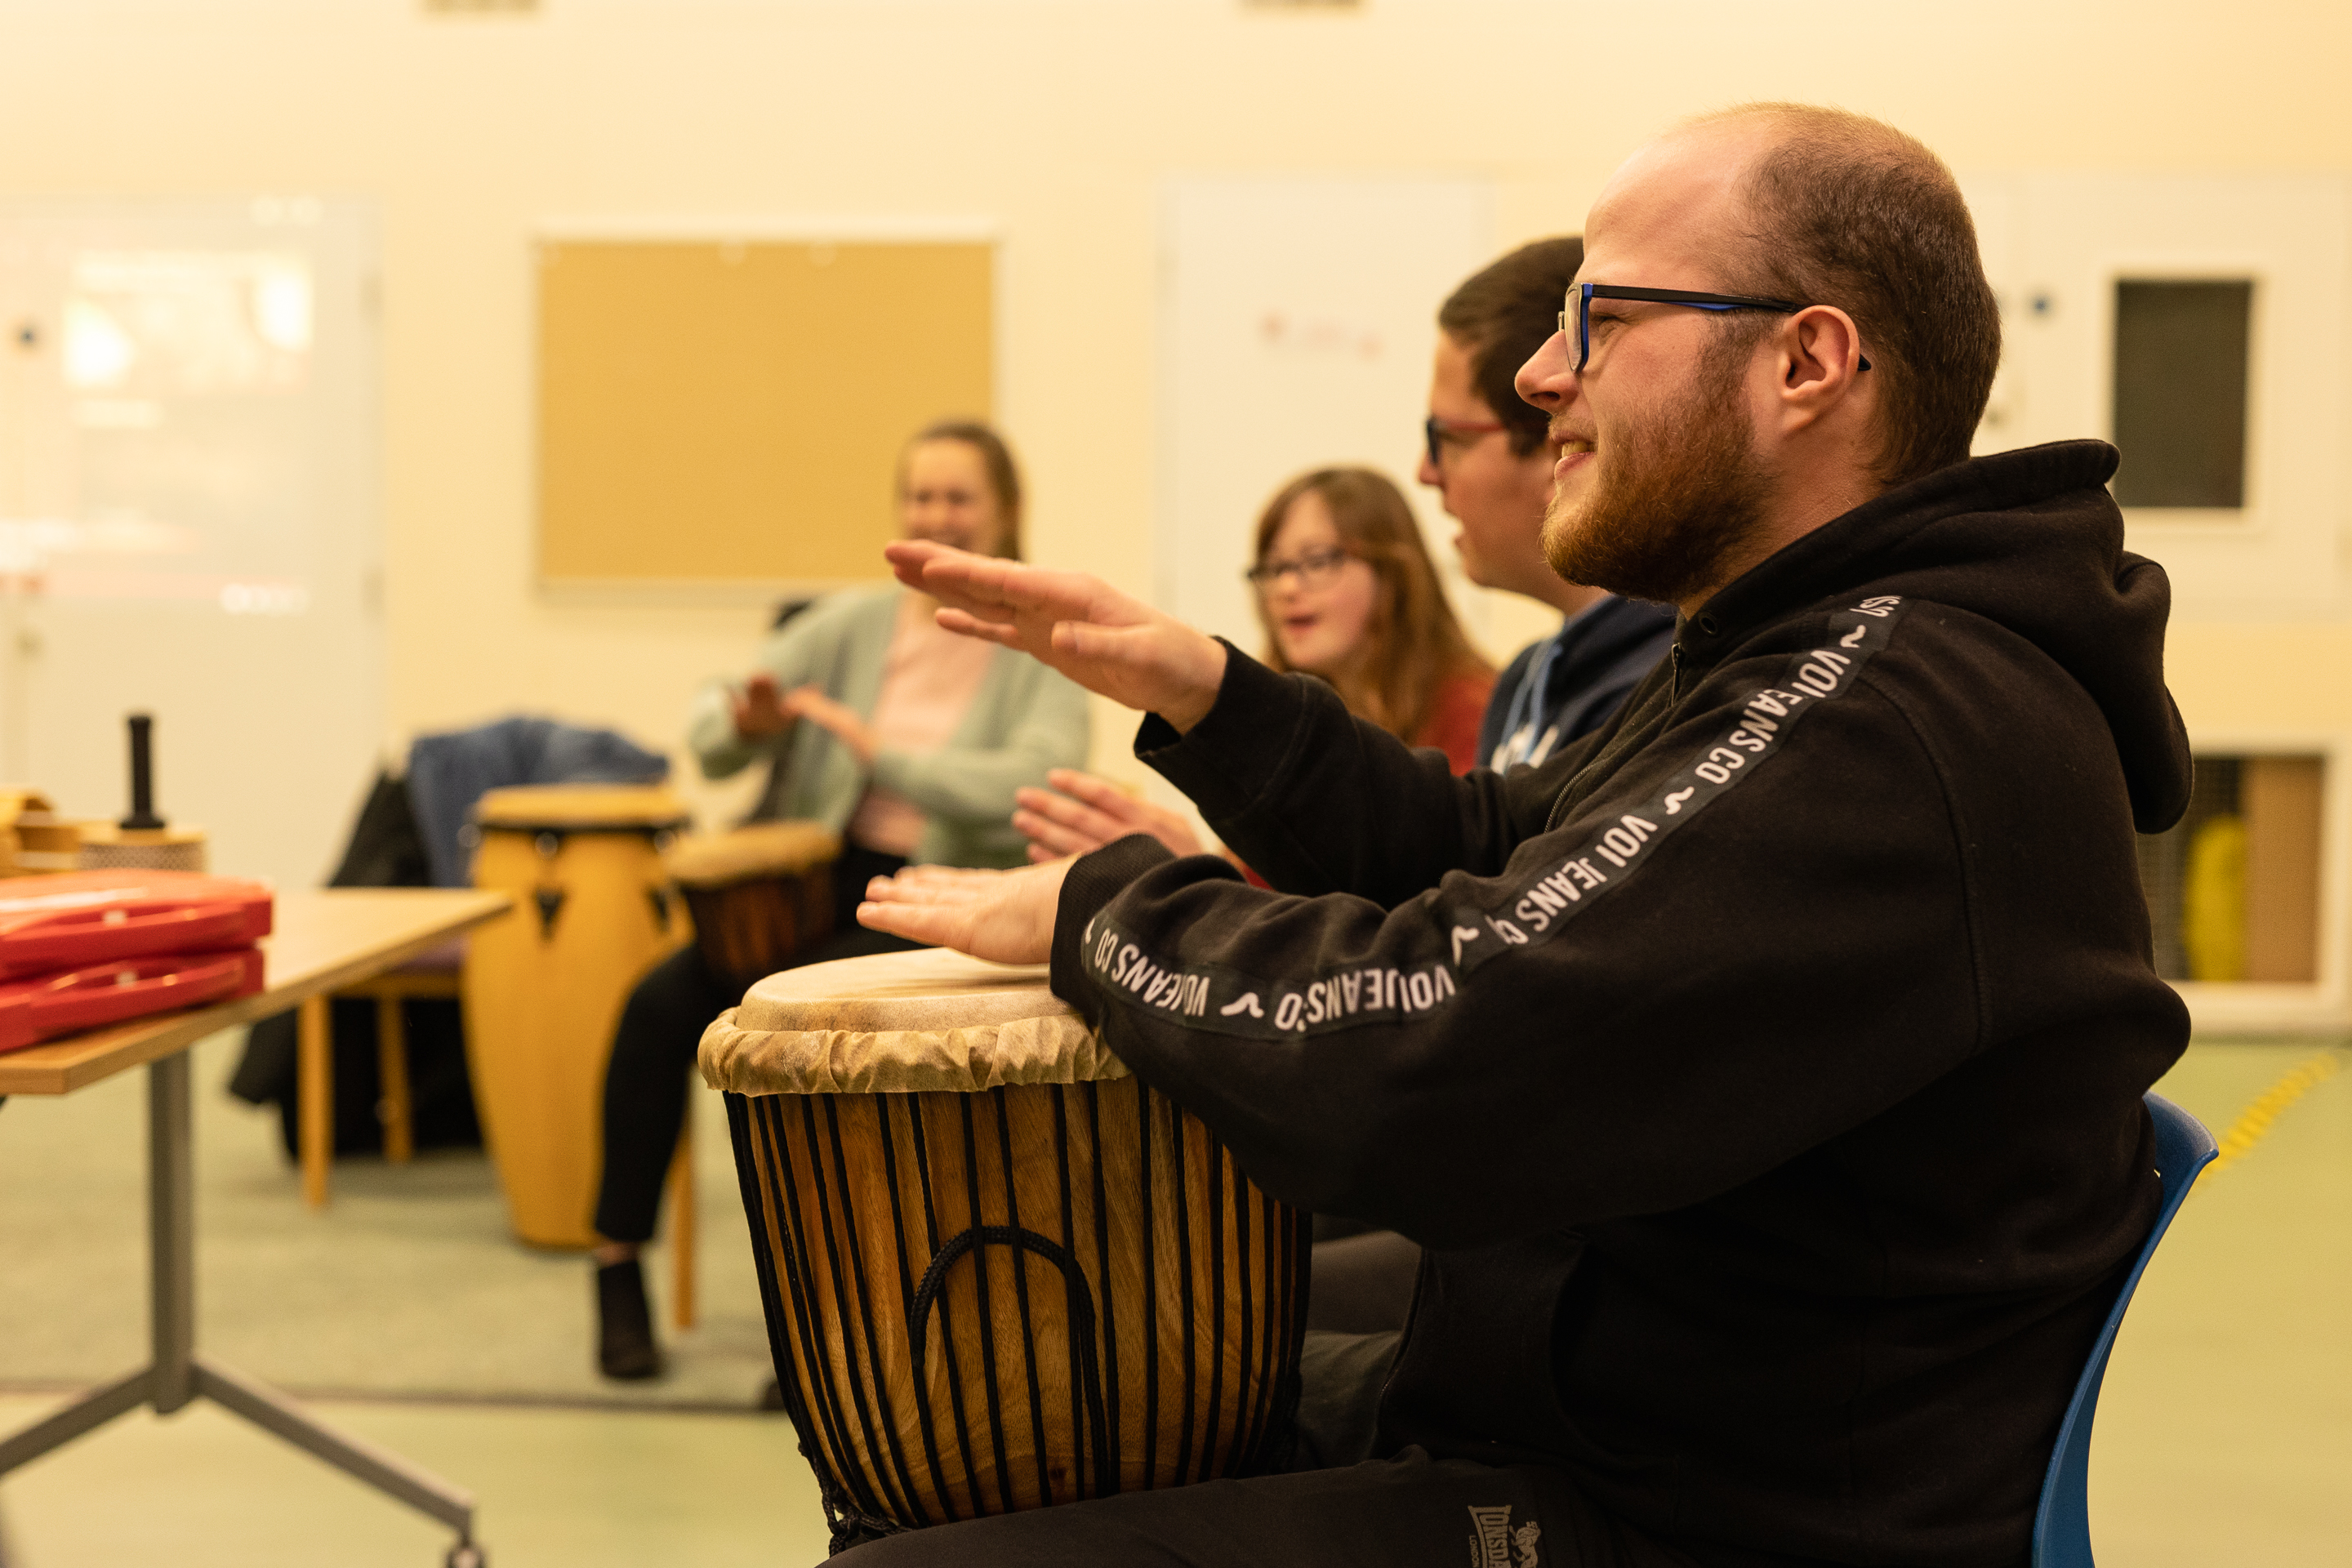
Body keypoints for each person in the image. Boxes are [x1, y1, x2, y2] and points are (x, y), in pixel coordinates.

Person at [845, 102, 2191, 1567]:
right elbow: (1487, 839)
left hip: (1702, 1514)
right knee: (1010, 1421)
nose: (1545, 376)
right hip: (1589, 1414)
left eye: (1601, 320)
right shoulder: (1803, 654)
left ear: (1808, 361)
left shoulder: (1887, 720)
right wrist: (1213, 696)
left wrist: (1108, 921)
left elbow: (1431, 1049)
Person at [590, 420, 1089, 1383]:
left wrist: (877, 751)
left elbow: (1032, 780)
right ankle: (617, 1271)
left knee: (815, 1051)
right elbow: (714, 718)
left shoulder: (1040, 643)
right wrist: (745, 720)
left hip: (940, 902)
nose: (934, 516)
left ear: (1004, 513)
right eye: (919, 497)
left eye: (956, 499)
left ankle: (832, 1318)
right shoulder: (856, 622)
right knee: (654, 1014)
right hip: (810, 887)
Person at [1422, 238, 1677, 772]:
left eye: (1449, 438)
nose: (1426, 473)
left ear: (1555, 445)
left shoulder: (1664, 685)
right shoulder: (1525, 678)